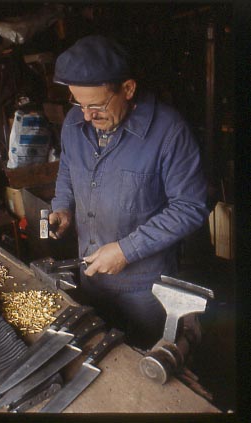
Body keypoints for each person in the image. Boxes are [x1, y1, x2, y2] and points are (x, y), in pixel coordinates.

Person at [49, 35, 209, 349]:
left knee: (148, 371)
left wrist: (126, 250)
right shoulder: (73, 124)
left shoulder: (169, 131)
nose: (85, 116)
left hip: (145, 290)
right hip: (91, 278)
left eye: (95, 105)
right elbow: (67, 168)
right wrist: (63, 207)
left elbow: (190, 207)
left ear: (128, 89)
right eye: (78, 104)